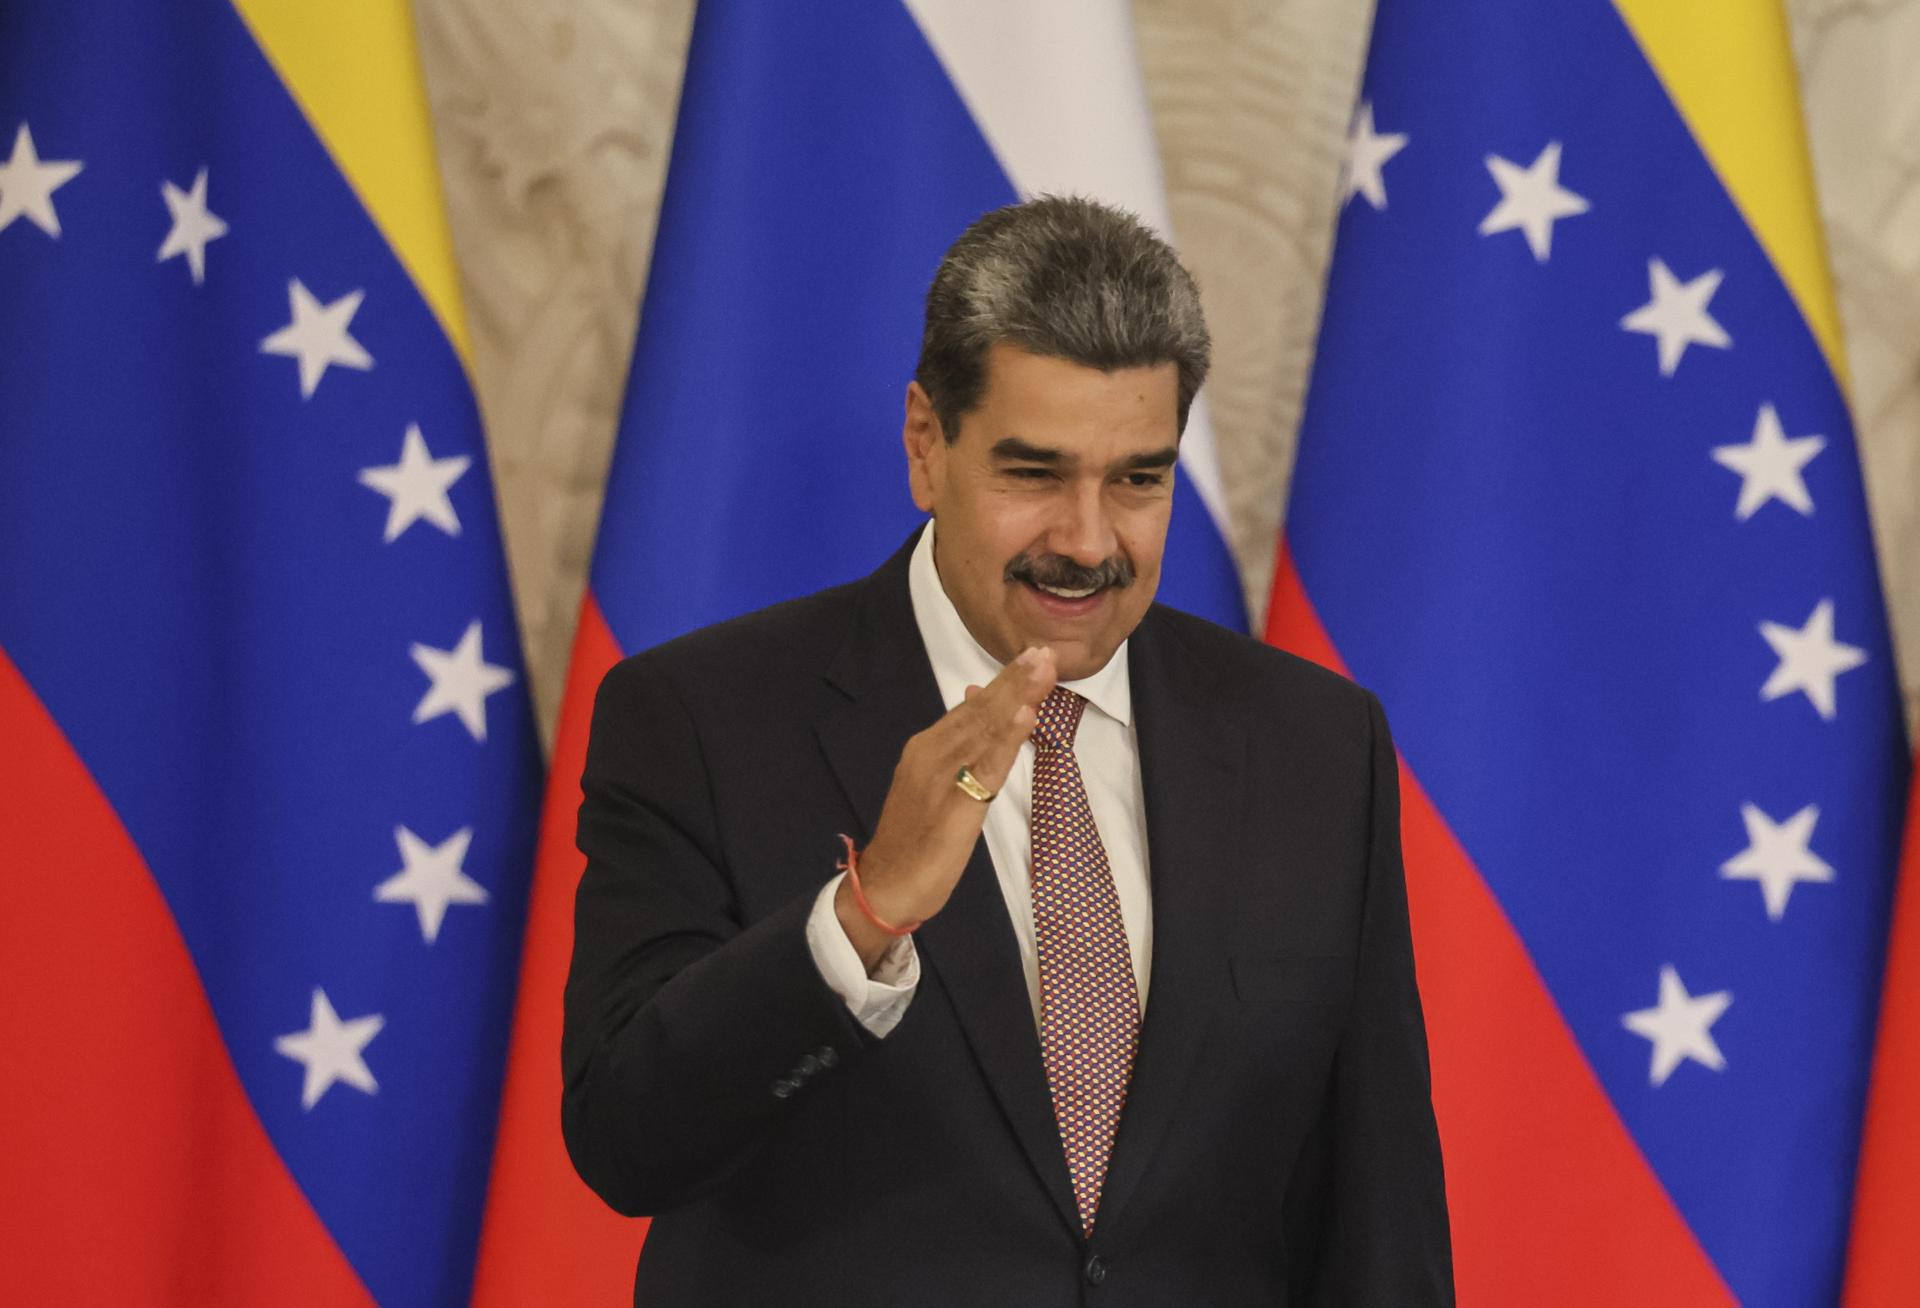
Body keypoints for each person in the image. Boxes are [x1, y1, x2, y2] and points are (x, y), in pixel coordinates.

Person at [561, 195, 1453, 1305]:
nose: (1088, 541)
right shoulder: (702, 717)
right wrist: (863, 917)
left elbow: (1380, 1215)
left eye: (1138, 479)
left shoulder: (1314, 744)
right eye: (1034, 475)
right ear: (927, 446)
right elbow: (626, 1139)